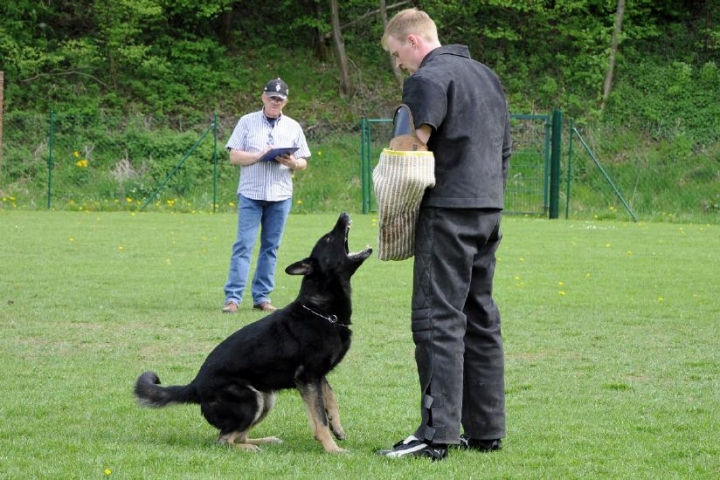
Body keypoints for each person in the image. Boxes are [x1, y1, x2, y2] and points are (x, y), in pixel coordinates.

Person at [377, 9, 512, 461]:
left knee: (437, 319)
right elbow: (505, 148)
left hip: (448, 210)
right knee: (481, 317)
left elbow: (410, 151)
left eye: (398, 55)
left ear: (414, 41)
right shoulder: (486, 76)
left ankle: (436, 434)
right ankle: (487, 430)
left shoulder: (427, 79)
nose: (400, 65)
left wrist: (395, 213)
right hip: (488, 209)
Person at [222, 78, 310, 314]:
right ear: (263, 97)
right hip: (251, 193)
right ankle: (233, 298)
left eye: (280, 99)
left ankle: (262, 297)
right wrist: (260, 155)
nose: (275, 102)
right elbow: (234, 156)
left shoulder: (293, 126)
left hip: (280, 195)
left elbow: (303, 162)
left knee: (271, 247)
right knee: (243, 246)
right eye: (272, 97)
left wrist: (293, 162)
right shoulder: (247, 122)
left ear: (285, 102)